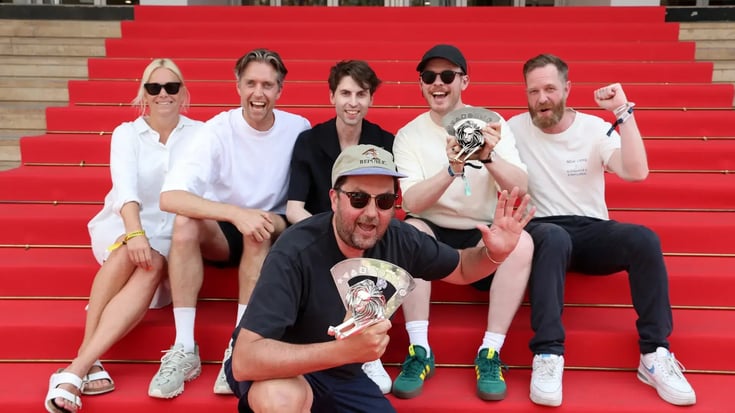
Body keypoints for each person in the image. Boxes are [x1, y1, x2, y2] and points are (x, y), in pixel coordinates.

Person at [224, 144, 535, 413]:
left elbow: (465, 268)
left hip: (339, 370)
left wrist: (496, 254)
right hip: (279, 365)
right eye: (358, 198)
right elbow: (245, 360)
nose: (372, 213)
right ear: (334, 199)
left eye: (384, 201)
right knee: (281, 398)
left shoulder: (399, 238)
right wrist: (344, 352)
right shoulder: (295, 250)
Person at [507, 53, 696, 407]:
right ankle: (548, 354)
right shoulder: (513, 128)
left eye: (550, 88)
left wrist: (623, 113)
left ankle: (654, 355)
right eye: (533, 91)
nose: (542, 98)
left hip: (591, 229)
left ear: (567, 89)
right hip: (543, 232)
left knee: (643, 238)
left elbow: (636, 172)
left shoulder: (594, 128)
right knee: (552, 234)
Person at [148, 48, 311, 399]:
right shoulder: (216, 130)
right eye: (251, 82)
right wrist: (236, 214)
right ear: (237, 86)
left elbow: (303, 200)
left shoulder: (298, 128)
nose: (258, 92)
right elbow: (170, 196)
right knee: (185, 222)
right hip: (225, 227)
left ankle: (239, 346)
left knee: (259, 229)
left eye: (268, 85)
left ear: (279, 91)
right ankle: (183, 347)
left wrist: (256, 219)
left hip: (273, 227)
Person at [44, 58, 202, 413]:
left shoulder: (201, 133)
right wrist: (135, 234)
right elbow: (125, 190)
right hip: (124, 223)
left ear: (184, 93)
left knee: (153, 263)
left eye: (171, 87)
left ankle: (77, 367)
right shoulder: (126, 133)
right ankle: (84, 364)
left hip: (173, 233)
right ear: (143, 93)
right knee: (129, 254)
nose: (163, 94)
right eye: (154, 88)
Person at [390, 44, 534, 401]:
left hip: (481, 232)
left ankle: (490, 352)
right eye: (429, 77)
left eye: (448, 76)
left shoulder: (492, 123)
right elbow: (410, 201)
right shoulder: (409, 134)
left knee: (523, 242)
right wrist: (451, 169)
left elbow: (520, 185)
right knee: (408, 231)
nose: (438, 84)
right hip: (431, 230)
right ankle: (419, 350)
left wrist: (488, 155)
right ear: (421, 84)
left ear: (464, 81)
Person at [286, 59, 395, 393]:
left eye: (361, 94)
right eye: (345, 92)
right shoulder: (309, 141)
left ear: (370, 99)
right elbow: (293, 208)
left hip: (365, 231)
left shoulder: (384, 141)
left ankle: (369, 349)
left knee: (375, 241)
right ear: (332, 95)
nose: (353, 102)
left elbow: (388, 203)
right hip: (317, 231)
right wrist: (330, 232)